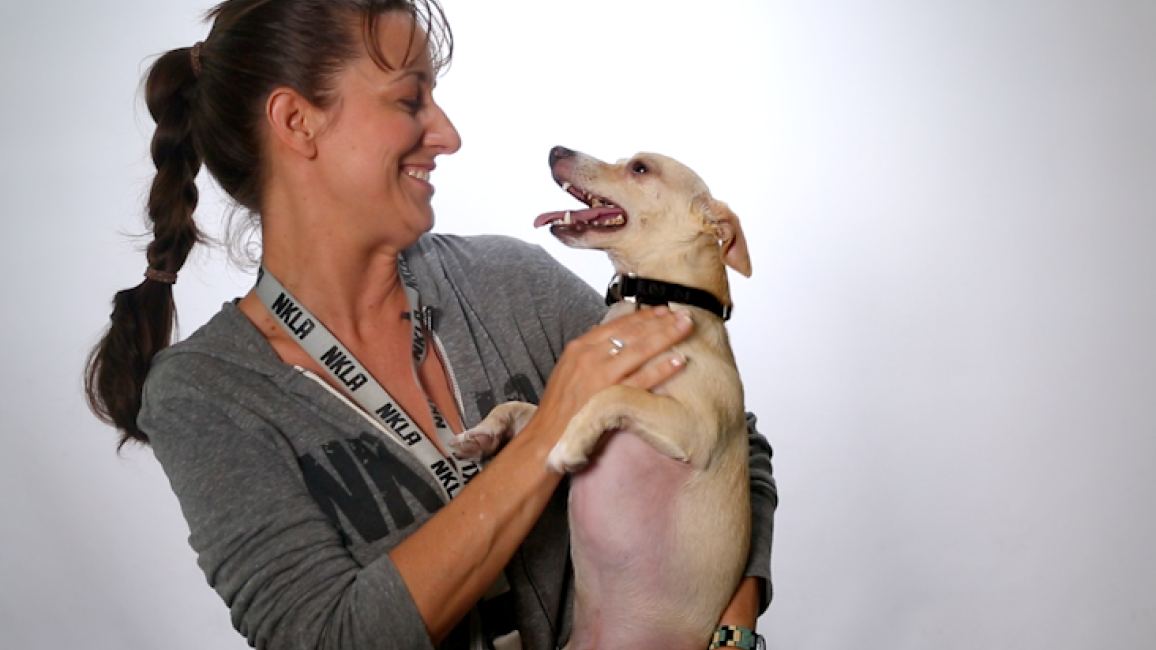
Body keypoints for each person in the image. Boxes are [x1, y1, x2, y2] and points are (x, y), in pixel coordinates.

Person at [84, 1, 777, 649]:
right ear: (298, 123)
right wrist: (545, 433)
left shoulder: (512, 281)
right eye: (409, 99)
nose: (447, 134)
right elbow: (327, 635)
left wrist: (731, 633)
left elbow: (727, 442)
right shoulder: (207, 392)